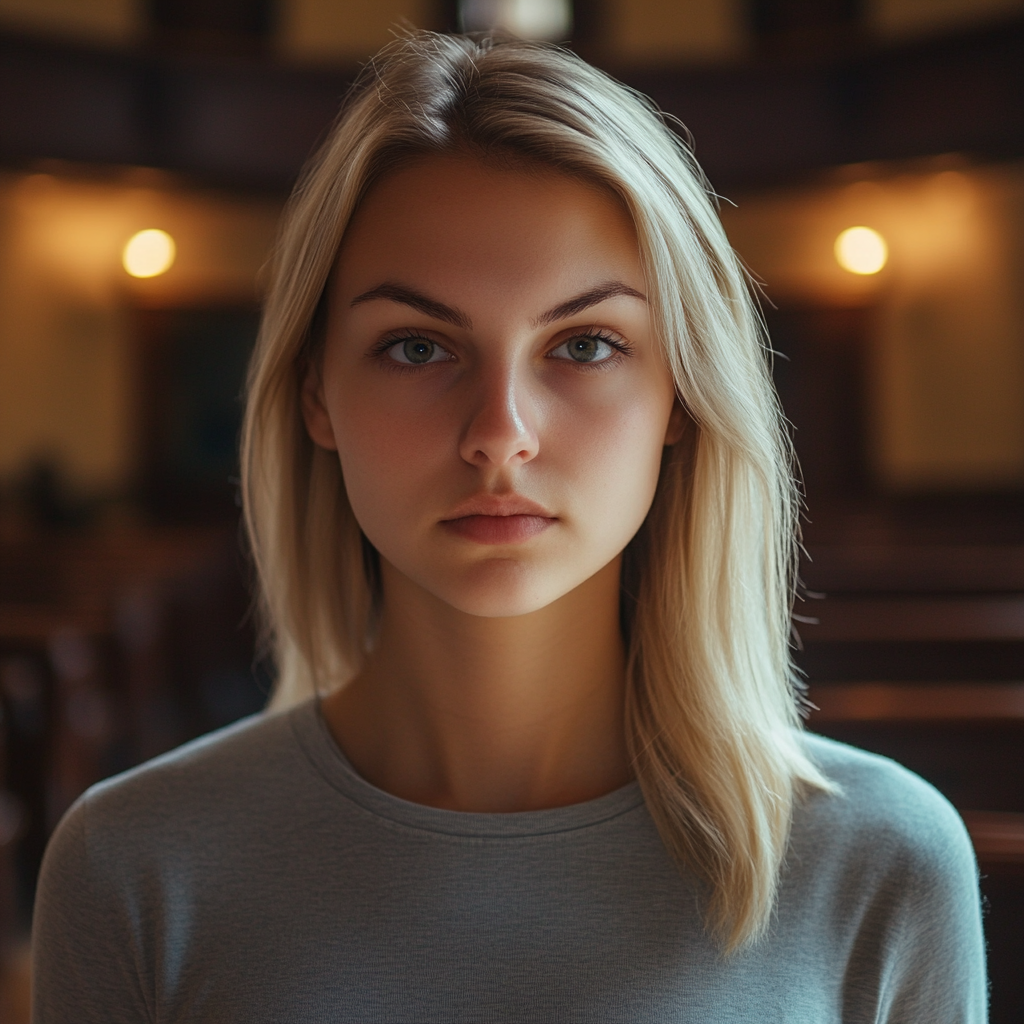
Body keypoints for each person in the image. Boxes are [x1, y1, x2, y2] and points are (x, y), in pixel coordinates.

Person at [32, 31, 985, 1023]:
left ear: (680, 398)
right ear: (317, 391)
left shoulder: (884, 860)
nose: (499, 435)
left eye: (582, 343)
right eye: (415, 346)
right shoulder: (132, 864)